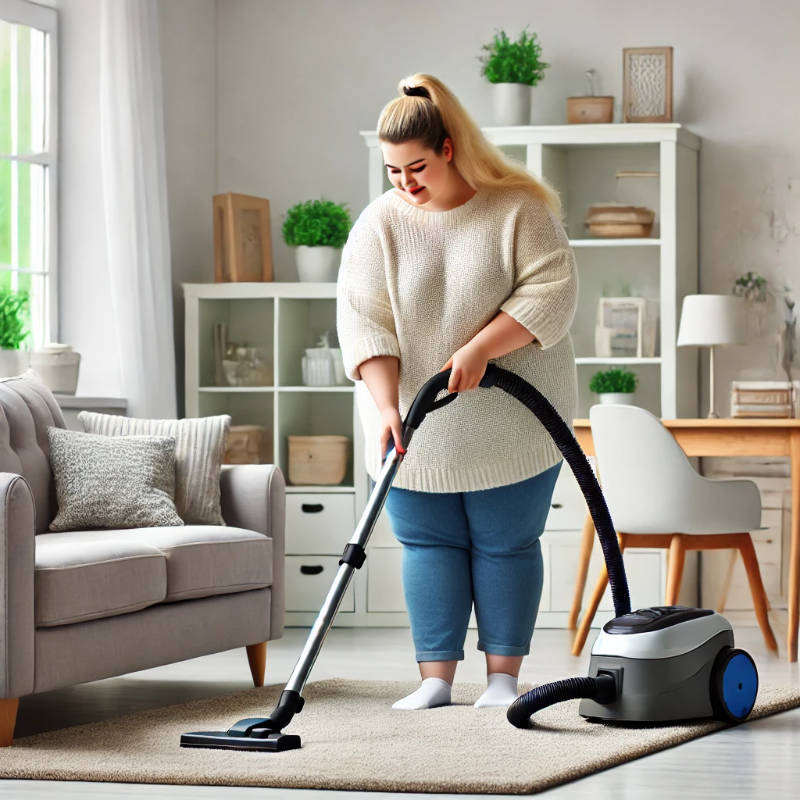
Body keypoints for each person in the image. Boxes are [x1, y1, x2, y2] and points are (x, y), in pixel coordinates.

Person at [336, 73, 578, 710]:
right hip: (412, 426)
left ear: (448, 148)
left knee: (505, 544)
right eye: (392, 172)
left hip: (513, 420)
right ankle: (436, 682)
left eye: (416, 167)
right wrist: (386, 406)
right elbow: (366, 319)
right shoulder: (378, 225)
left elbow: (551, 293)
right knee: (427, 545)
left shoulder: (518, 210)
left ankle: (502, 681)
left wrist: (479, 349)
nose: (406, 184)